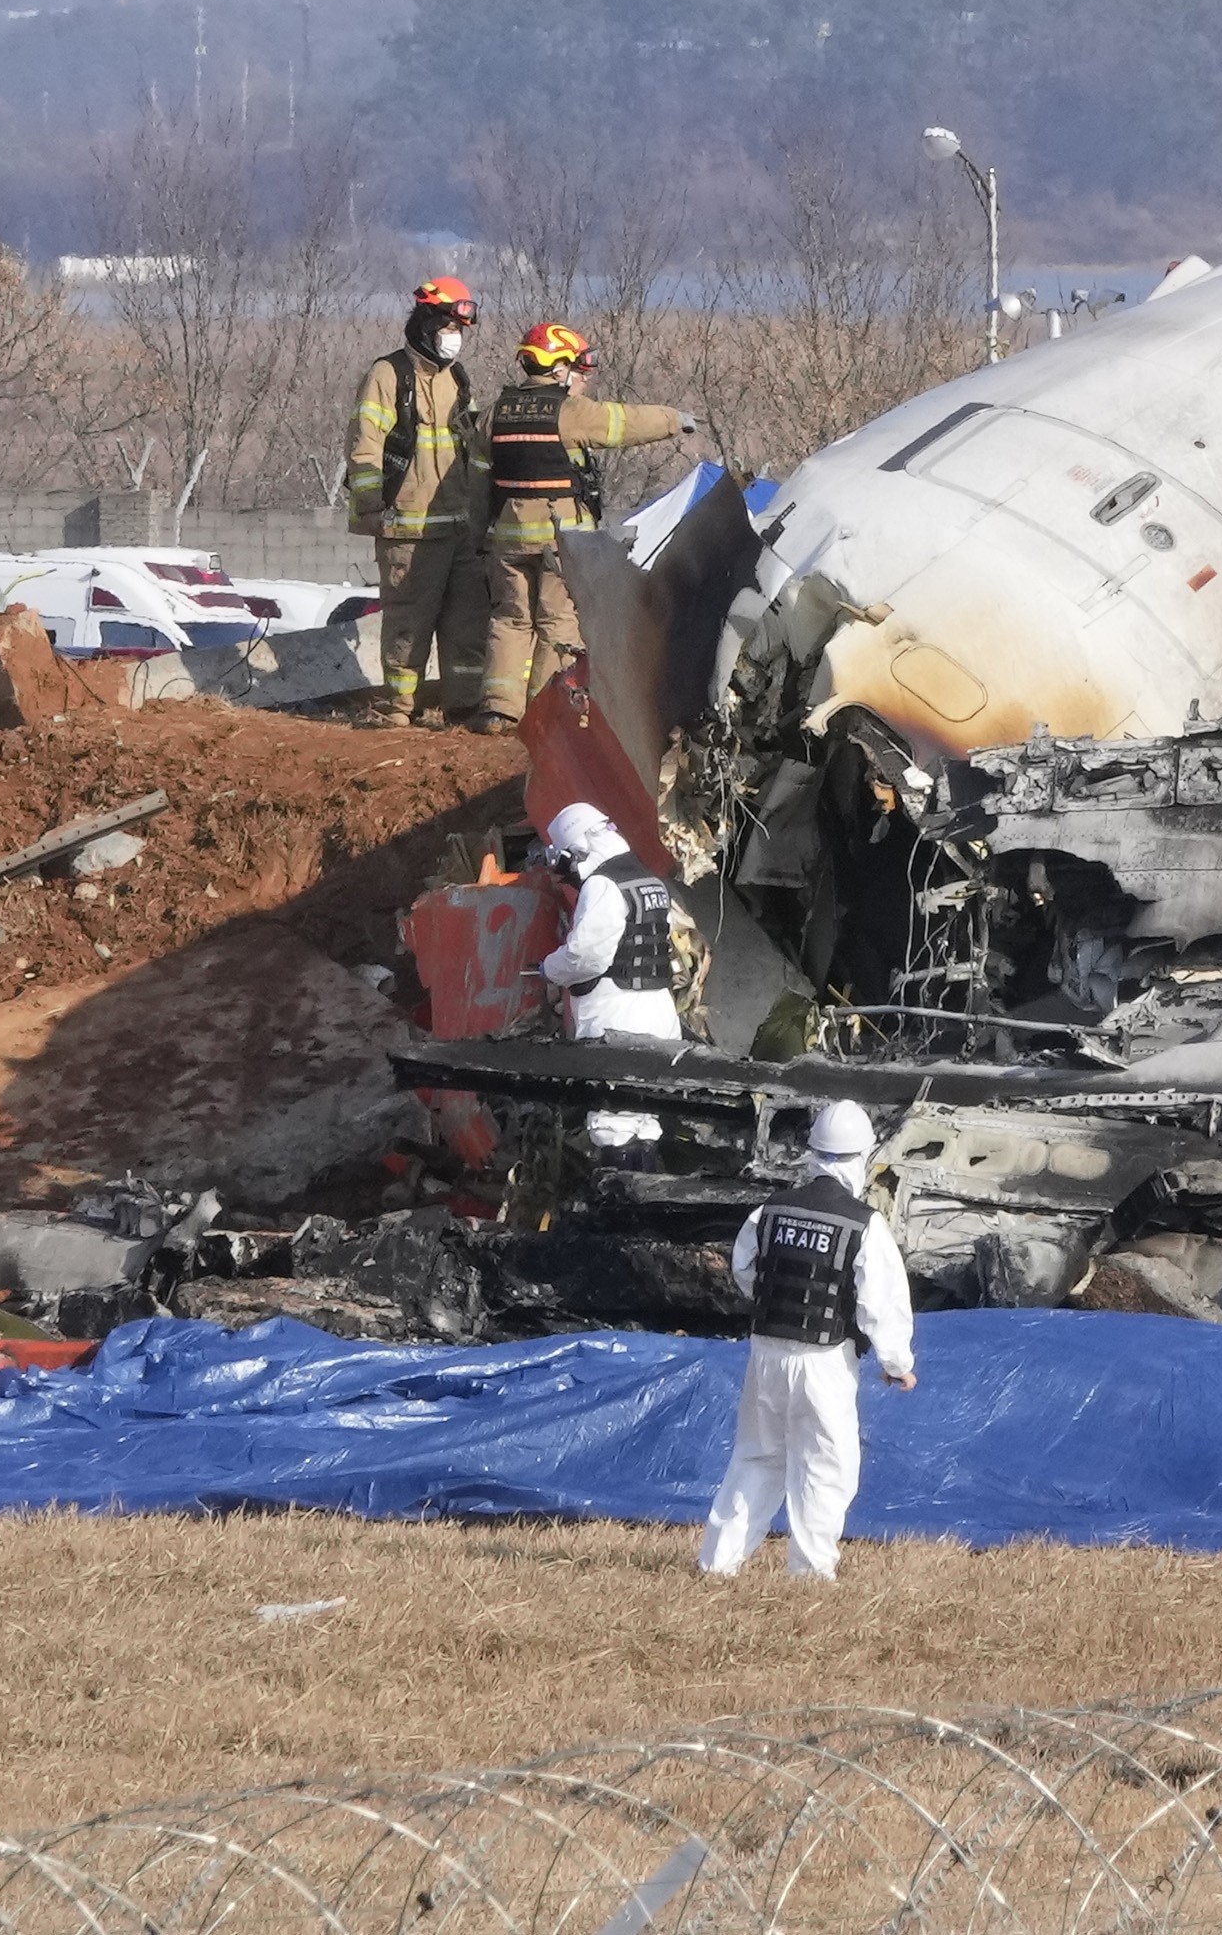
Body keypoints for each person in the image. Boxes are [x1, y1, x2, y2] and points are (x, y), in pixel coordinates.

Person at [699, 1099, 915, 1582]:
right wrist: (897, 1362)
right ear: (862, 1157)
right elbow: (882, 1303)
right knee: (825, 1465)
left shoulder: (768, 1211)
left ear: (812, 1152)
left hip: (766, 1354)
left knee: (756, 1456)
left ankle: (717, 1564)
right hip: (824, 1360)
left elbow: (743, 1270)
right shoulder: (864, 1224)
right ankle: (810, 1574)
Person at [478, 323, 690, 728]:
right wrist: (674, 419)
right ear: (557, 368)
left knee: (509, 618)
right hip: (558, 542)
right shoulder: (571, 412)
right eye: (575, 368)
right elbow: (624, 422)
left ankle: (498, 708)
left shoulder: (495, 413)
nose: (581, 378)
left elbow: (477, 473)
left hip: (507, 538)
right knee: (556, 622)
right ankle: (545, 715)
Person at [342, 278, 494, 730]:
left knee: (467, 627)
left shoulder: (458, 379)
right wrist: (371, 509)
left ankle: (462, 708)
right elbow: (364, 448)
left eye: (460, 328)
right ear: (426, 324)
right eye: (449, 325)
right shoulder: (387, 376)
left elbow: (475, 450)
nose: (455, 336)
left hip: (461, 529)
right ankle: (398, 708)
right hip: (407, 529)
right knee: (409, 623)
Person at [534, 799, 691, 1163]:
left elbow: (585, 955)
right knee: (643, 1116)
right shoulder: (647, 878)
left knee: (614, 1122)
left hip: (618, 1016)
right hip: (657, 1011)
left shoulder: (603, 885)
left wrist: (548, 968)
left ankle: (621, 1203)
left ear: (577, 850)